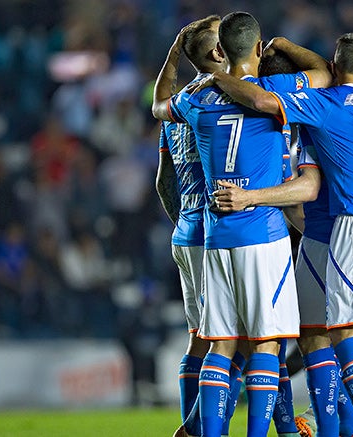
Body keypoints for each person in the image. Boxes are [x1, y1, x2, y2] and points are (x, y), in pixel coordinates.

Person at [202, 32, 353, 437]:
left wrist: (219, 77)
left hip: (333, 231)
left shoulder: (314, 110)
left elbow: (306, 185)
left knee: (319, 336)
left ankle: (349, 428)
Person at [155, 11, 331, 437]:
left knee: (217, 341)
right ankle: (268, 431)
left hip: (208, 231)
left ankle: (197, 430)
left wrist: (178, 54)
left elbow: (159, 108)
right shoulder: (274, 91)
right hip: (260, 231)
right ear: (251, 48)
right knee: (266, 343)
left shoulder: (192, 101)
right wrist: (285, 45)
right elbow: (323, 73)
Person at [151, 15, 226, 437]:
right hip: (214, 233)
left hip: (186, 230)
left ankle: (194, 427)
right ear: (219, 52)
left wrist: (174, 51)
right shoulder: (221, 99)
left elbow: (164, 182)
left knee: (200, 336)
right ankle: (194, 428)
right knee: (229, 339)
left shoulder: (179, 103)